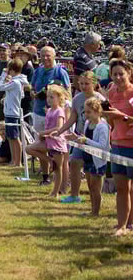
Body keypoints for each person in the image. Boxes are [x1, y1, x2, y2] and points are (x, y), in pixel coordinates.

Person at [53, 71, 105, 203]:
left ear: (94, 84)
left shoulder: (100, 99)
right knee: (75, 163)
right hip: (80, 137)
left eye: (86, 83)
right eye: (81, 83)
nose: (83, 86)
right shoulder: (77, 98)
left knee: (92, 171)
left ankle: (96, 195)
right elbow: (72, 118)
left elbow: (105, 119)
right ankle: (74, 195)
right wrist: (60, 131)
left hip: (94, 138)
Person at [102, 59, 133, 236]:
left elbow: (124, 118)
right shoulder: (112, 91)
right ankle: (121, 225)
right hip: (117, 144)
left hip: (132, 146)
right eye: (115, 74)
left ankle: (131, 223)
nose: (118, 77)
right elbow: (111, 120)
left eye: (121, 73)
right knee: (121, 188)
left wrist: (121, 116)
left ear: (129, 72)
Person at [65, 98, 109, 217]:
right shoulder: (87, 123)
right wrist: (76, 137)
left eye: (89, 112)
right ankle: (92, 210)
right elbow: (84, 139)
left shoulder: (103, 127)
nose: (86, 115)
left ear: (97, 111)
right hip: (88, 159)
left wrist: (87, 140)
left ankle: (96, 212)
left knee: (96, 187)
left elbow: (102, 146)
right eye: (85, 112)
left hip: (98, 161)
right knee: (90, 186)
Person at [26, 85, 70, 197]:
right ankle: (49, 160)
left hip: (57, 144)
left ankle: (55, 192)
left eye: (52, 97)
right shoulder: (49, 110)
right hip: (48, 142)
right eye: (48, 97)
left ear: (59, 98)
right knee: (29, 148)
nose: (49, 99)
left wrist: (43, 133)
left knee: (57, 169)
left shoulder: (60, 111)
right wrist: (43, 135)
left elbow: (58, 127)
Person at [0, 58, 28, 167]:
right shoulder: (17, 82)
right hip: (10, 112)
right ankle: (13, 160)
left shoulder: (16, 82)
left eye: (9, 70)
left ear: (12, 70)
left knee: (15, 138)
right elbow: (21, 95)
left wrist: (3, 74)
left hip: (13, 113)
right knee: (10, 138)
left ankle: (18, 161)